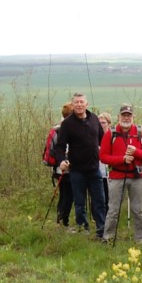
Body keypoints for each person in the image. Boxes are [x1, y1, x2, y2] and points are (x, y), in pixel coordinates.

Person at [53, 93, 106, 238]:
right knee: (79, 203)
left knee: (99, 201)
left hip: (95, 169)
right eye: (76, 102)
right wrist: (61, 161)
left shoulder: (94, 119)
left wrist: (111, 157)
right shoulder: (67, 124)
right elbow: (59, 147)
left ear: (86, 104)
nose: (79, 105)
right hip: (77, 170)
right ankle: (83, 229)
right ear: (73, 104)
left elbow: (104, 141)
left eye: (82, 102)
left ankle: (102, 230)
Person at [100, 104, 142, 243]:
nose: (126, 118)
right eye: (123, 115)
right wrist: (122, 159)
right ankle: (108, 238)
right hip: (117, 176)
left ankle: (141, 239)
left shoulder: (141, 132)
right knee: (113, 209)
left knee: (138, 209)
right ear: (118, 117)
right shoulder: (110, 133)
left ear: (133, 117)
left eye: (129, 115)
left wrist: (136, 152)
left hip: (137, 177)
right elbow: (103, 156)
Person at [46, 102, 74, 227]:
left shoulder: (57, 128)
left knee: (65, 194)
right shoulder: (64, 129)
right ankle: (63, 221)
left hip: (58, 168)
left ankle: (62, 220)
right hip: (63, 168)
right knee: (68, 195)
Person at [98, 112, 112, 205]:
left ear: (109, 124)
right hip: (97, 170)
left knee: (109, 195)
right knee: (99, 195)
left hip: (110, 171)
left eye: (103, 123)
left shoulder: (112, 136)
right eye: (99, 123)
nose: (101, 125)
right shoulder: (94, 135)